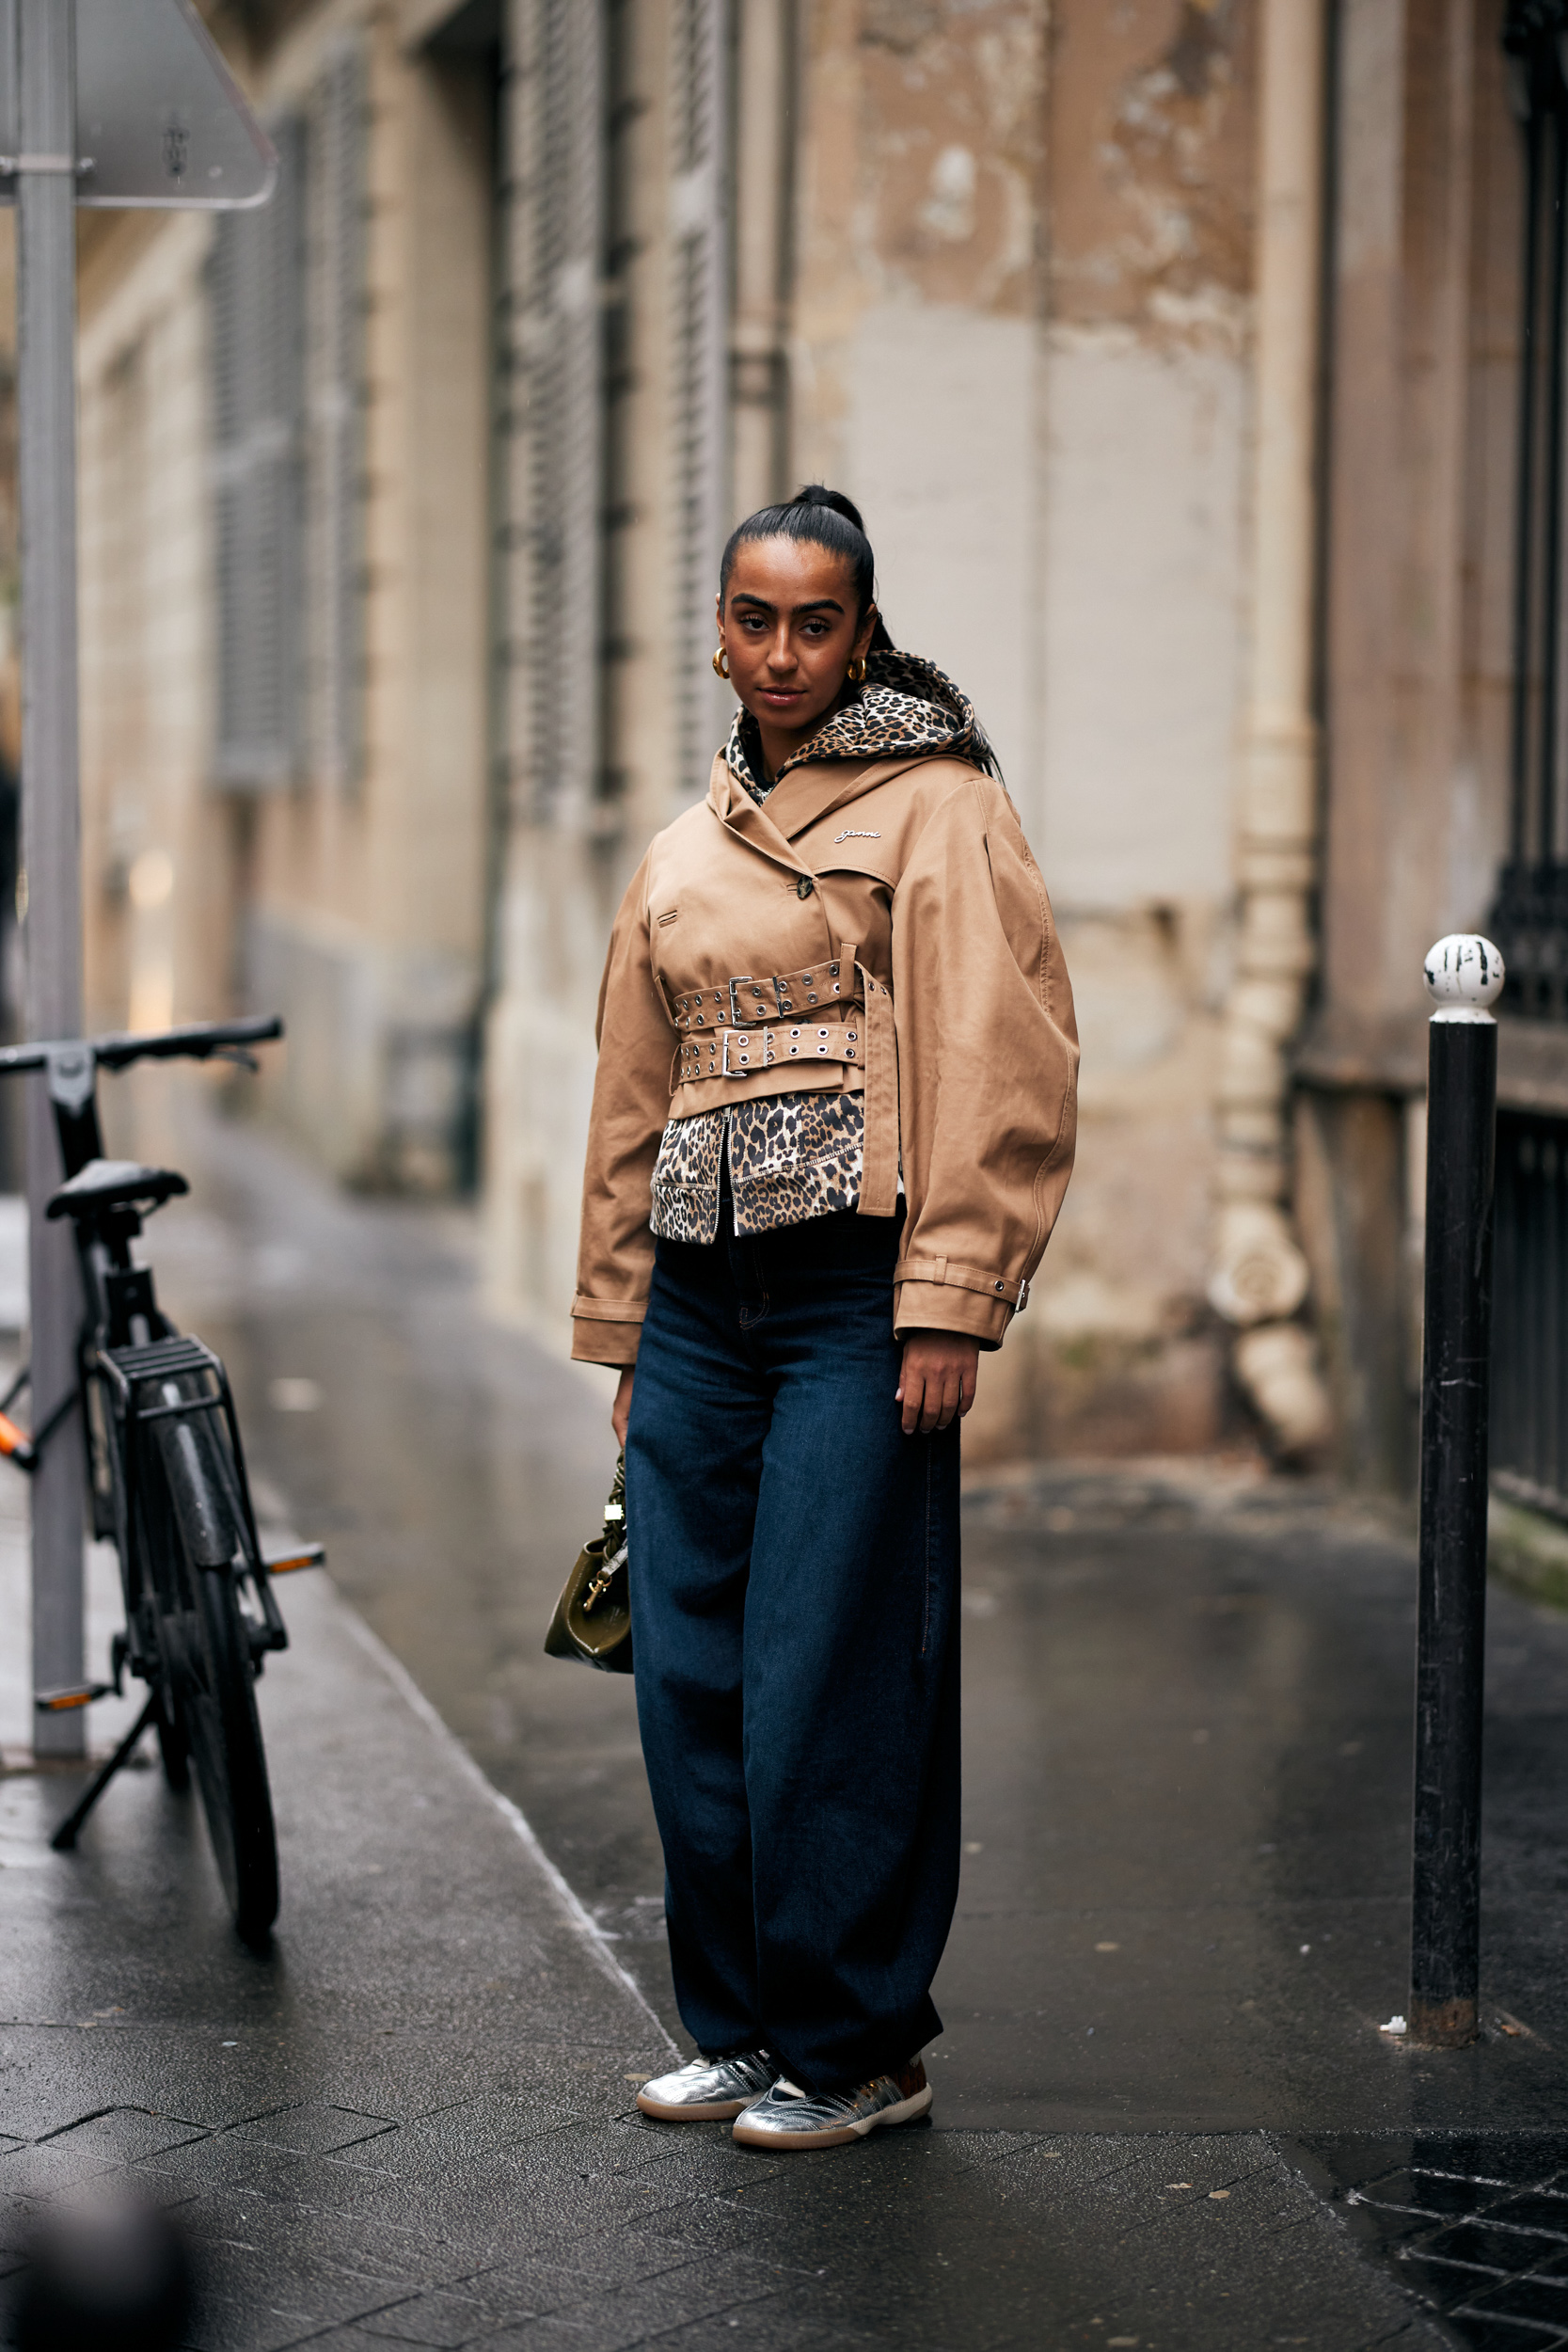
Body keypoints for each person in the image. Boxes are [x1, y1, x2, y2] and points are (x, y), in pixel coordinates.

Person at [571, 485, 1078, 2150]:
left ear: (864, 630)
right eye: (754, 619)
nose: (782, 651)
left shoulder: (941, 807)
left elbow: (999, 1059)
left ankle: (857, 2045)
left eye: (816, 621)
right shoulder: (683, 842)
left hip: (861, 1302)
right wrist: (626, 1335)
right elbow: (629, 1107)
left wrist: (951, 1299)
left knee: (827, 1666)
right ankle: (737, 2026)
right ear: (717, 631)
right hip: (706, 1309)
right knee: (692, 1672)